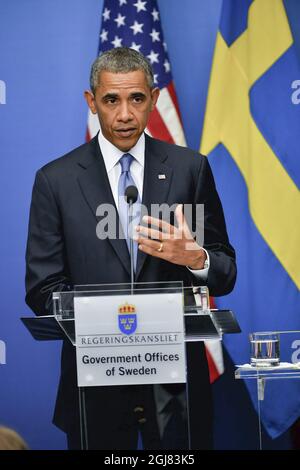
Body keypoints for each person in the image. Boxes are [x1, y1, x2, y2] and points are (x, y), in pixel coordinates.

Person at [25, 47, 236, 450]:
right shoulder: (57, 180)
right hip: (94, 388)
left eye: (136, 98)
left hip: (175, 389)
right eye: (111, 100)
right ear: (92, 102)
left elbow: (226, 272)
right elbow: (41, 290)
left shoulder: (189, 169)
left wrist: (195, 258)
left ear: (154, 100)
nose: (124, 114)